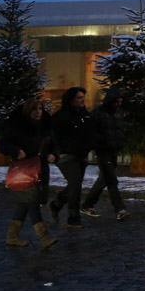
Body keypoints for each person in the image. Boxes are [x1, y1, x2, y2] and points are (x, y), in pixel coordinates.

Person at [0, 99, 58, 249]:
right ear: (27, 111)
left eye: (40, 108)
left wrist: (53, 155)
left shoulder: (46, 127)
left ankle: (12, 236)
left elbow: (55, 145)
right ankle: (44, 237)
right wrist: (16, 151)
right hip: (24, 170)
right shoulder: (17, 128)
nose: (38, 112)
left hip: (41, 169)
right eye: (34, 109)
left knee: (24, 204)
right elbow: (2, 144)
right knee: (32, 202)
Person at [82, 88, 130, 221]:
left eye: (120, 101)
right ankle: (120, 208)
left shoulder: (118, 112)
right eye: (117, 101)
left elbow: (118, 129)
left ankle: (88, 204)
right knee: (110, 179)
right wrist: (99, 143)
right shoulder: (98, 113)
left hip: (113, 149)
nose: (119, 104)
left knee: (104, 178)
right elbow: (91, 132)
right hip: (102, 150)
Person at [49, 86, 94, 228]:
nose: (82, 100)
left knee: (75, 184)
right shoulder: (60, 116)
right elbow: (53, 136)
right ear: (71, 99)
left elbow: (90, 130)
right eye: (79, 98)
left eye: (83, 97)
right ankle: (73, 217)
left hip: (81, 154)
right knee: (75, 184)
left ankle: (57, 204)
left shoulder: (84, 114)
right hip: (65, 155)